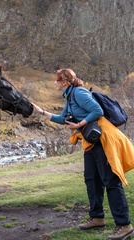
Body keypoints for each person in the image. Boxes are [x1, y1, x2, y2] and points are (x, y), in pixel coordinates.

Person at [32, 68, 133, 240]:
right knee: (91, 179)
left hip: (103, 139)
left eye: (56, 80)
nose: (54, 83)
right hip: (91, 141)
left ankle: (124, 225)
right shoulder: (69, 97)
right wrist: (41, 112)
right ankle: (97, 218)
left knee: (110, 180)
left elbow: (97, 111)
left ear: (64, 81)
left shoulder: (78, 93)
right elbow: (63, 119)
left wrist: (79, 125)